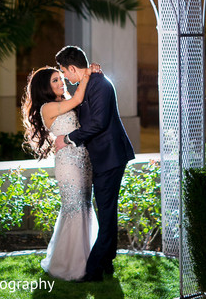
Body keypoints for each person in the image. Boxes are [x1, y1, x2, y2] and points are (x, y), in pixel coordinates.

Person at [55, 45, 135, 282]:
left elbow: (98, 122)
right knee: (106, 211)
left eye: (64, 72)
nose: (65, 77)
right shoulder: (88, 83)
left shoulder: (101, 85)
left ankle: (92, 270)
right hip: (102, 158)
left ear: (71, 68)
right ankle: (107, 263)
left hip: (111, 156)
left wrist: (69, 139)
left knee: (107, 211)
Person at [21, 64, 100, 281]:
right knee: (73, 208)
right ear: (44, 88)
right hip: (68, 164)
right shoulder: (47, 107)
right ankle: (71, 266)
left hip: (84, 160)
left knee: (84, 207)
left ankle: (88, 260)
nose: (60, 82)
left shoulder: (61, 103)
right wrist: (86, 74)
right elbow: (76, 100)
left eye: (60, 78)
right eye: (54, 80)